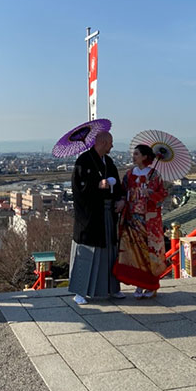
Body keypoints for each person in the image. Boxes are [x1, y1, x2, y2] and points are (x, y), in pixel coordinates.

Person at [69, 131, 125, 305]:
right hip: (90, 217)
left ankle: (112, 288)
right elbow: (80, 188)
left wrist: (120, 199)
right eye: (110, 143)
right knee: (87, 252)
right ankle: (80, 291)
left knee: (110, 252)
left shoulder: (108, 162)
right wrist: (97, 184)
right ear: (102, 142)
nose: (112, 146)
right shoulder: (83, 161)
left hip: (107, 214)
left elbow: (118, 185)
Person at [113, 144, 168, 298]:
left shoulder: (155, 174)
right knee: (134, 253)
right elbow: (123, 192)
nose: (134, 156)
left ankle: (150, 285)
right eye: (134, 153)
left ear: (145, 156)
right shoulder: (129, 174)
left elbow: (162, 194)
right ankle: (139, 283)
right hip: (131, 218)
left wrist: (151, 193)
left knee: (148, 253)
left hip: (148, 220)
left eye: (137, 154)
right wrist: (123, 200)